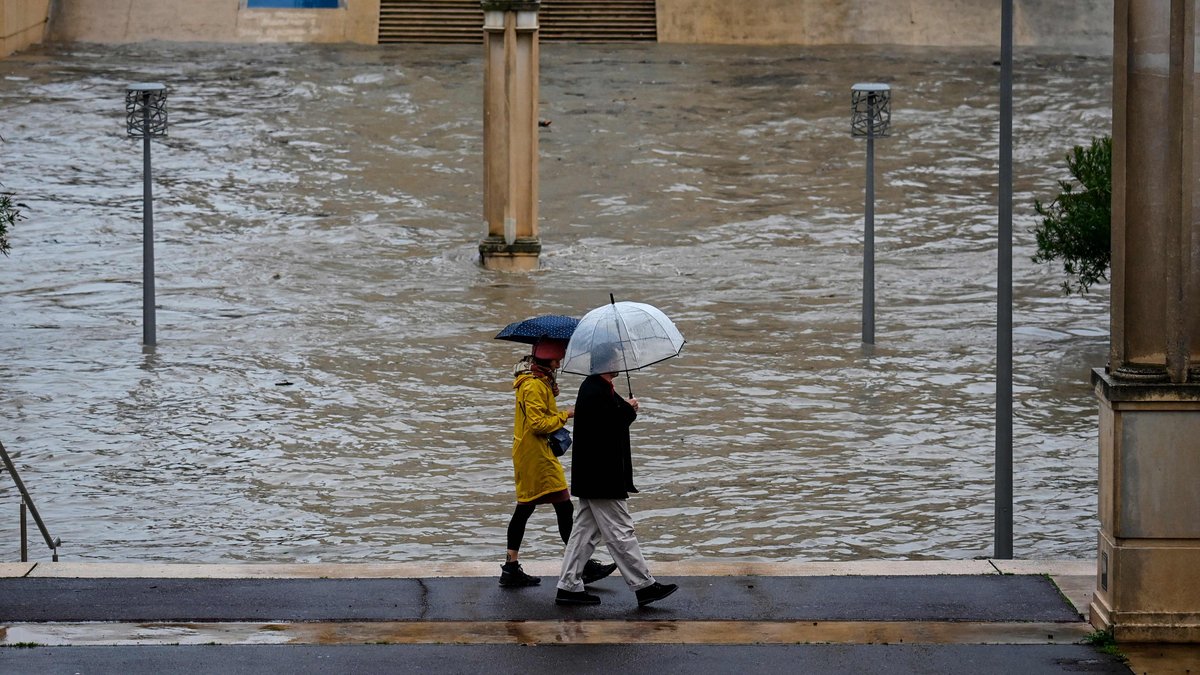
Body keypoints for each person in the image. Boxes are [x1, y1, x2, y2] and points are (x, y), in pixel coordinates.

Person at [554, 343, 678, 607]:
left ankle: (568, 585)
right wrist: (629, 409)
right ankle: (644, 586)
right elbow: (611, 425)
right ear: (606, 363)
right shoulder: (596, 390)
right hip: (602, 477)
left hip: (594, 477)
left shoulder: (596, 388)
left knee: (583, 534)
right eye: (616, 359)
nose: (620, 363)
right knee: (621, 529)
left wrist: (624, 407)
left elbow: (609, 419)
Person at [501, 337, 617, 588]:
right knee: (561, 508)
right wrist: (567, 414)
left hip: (536, 455)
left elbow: (542, 416)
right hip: (536, 458)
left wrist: (552, 396)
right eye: (558, 358)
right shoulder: (532, 386)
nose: (560, 361)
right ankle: (581, 566)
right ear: (549, 360)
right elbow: (538, 424)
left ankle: (511, 567)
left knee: (528, 508)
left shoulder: (539, 383)